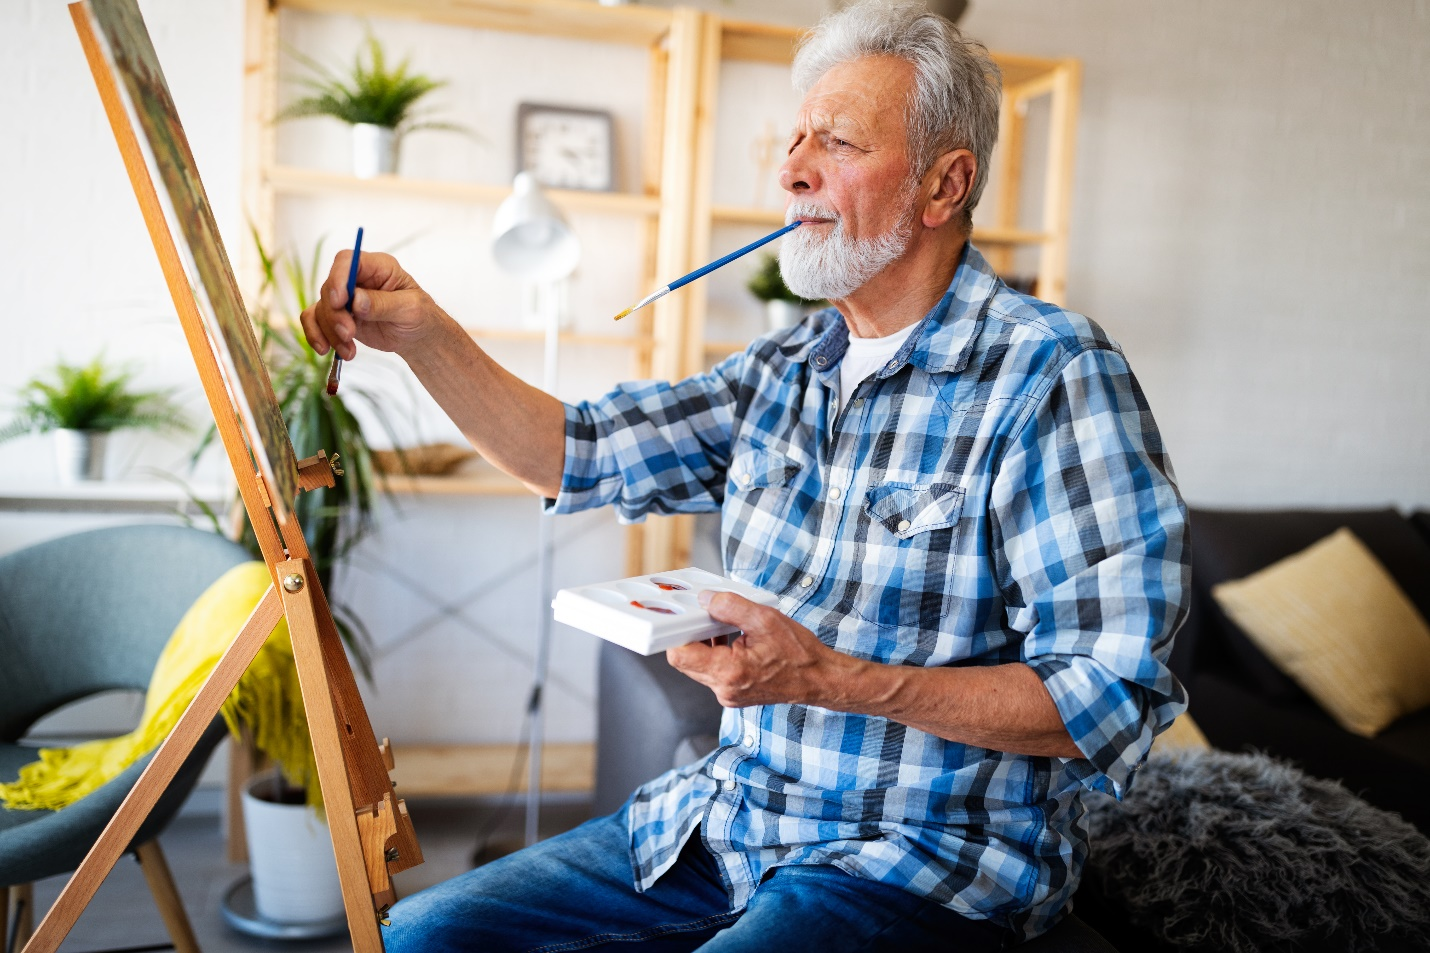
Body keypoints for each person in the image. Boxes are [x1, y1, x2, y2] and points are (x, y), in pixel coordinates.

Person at [301, 2, 1189, 950]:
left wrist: (835, 677)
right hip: (730, 820)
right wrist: (425, 335)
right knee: (422, 938)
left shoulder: (1049, 372)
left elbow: (1112, 691)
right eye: (795, 138)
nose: (791, 170)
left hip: (923, 861)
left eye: (837, 142)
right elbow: (577, 450)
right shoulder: (786, 367)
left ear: (945, 184)